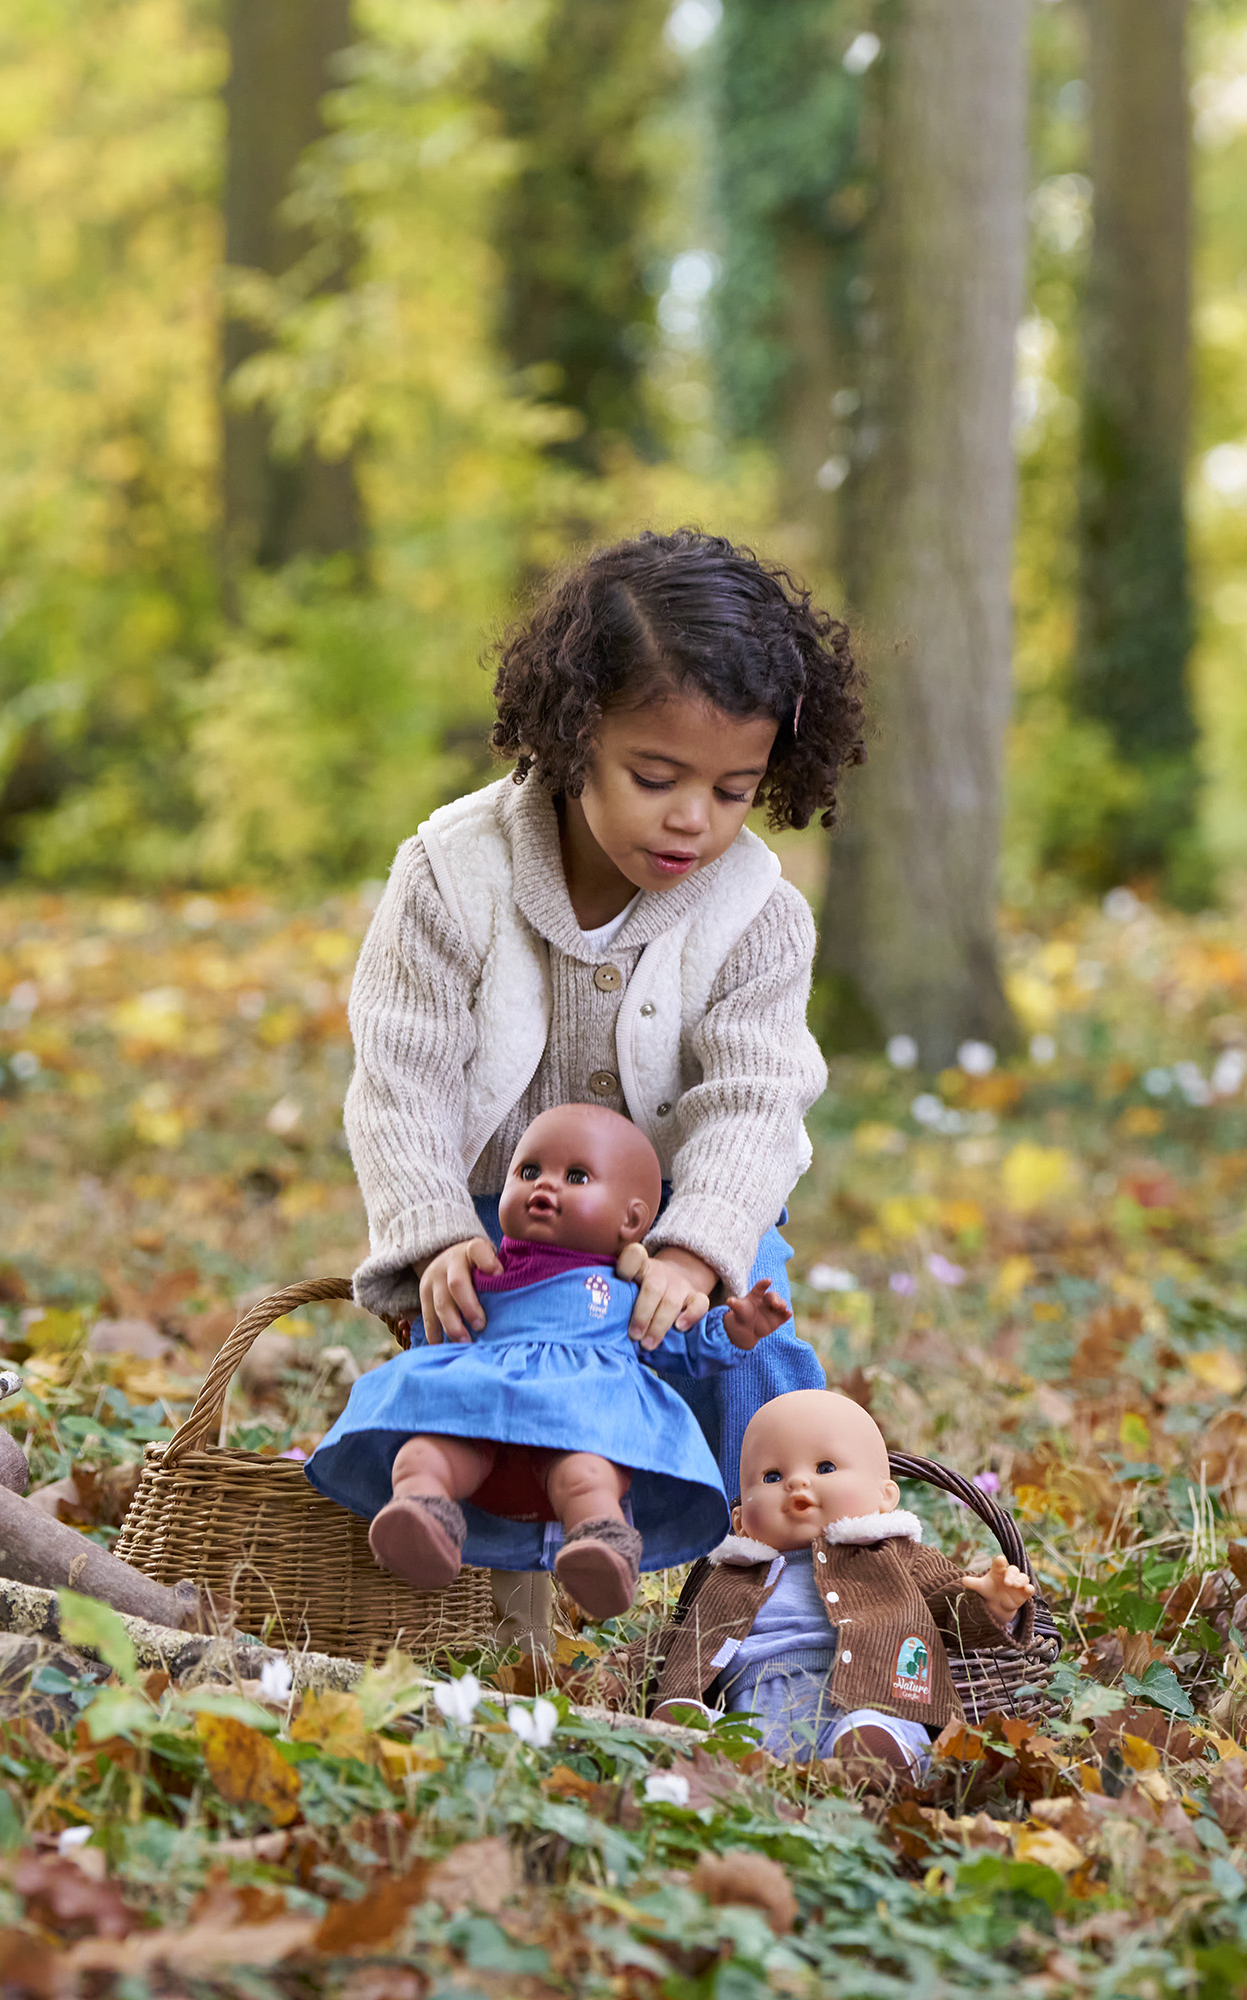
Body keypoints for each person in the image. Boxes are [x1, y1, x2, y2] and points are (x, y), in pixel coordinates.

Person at [341, 529, 867, 1628]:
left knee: (738, 1349)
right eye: (655, 776)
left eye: (733, 788)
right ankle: (499, 1596)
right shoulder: (452, 870)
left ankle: (796, 1585)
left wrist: (696, 1240)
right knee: (479, 1386)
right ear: (572, 734)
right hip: (505, 1215)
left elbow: (754, 1093)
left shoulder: (756, 913)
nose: (692, 819)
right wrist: (435, 1229)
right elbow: (403, 1072)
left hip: (677, 1210)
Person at [306, 1104, 804, 1617]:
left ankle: (599, 1545)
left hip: (578, 1428)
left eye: (576, 1176)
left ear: (632, 1218)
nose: (545, 1186)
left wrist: (734, 1328)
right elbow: (446, 1326)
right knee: (421, 1454)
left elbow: (682, 1342)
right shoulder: (481, 1265)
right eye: (528, 1172)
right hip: (480, 1422)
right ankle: (423, 1517)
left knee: (589, 1477)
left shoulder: (626, 1291)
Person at [644, 1390, 1035, 1777]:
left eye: (825, 1468)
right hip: (749, 1716)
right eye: (772, 1476)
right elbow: (681, 1637)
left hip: (867, 1702)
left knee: (876, 1729)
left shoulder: (890, 1555)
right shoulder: (730, 1575)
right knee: (704, 1729)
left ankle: (876, 1760)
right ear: (741, 1520)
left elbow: (947, 1602)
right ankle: (710, 1751)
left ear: (885, 1497)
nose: (796, 1484)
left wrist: (989, 1602)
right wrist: (614, 1668)